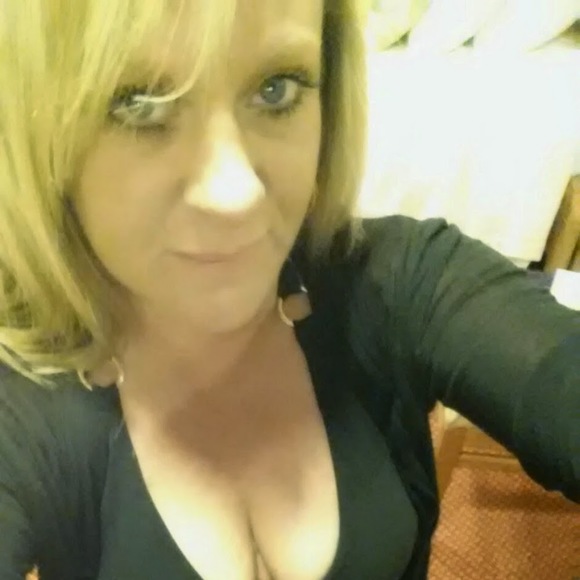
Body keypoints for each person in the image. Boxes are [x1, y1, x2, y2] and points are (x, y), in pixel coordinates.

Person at [0, 0, 578, 579]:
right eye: (142, 104)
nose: (235, 193)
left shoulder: (397, 280)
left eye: (276, 89)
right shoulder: (24, 395)